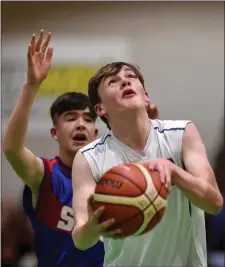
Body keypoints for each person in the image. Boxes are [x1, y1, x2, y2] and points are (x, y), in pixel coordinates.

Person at [71, 62, 224, 266]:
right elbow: (80, 240)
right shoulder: (88, 157)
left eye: (130, 77)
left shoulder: (181, 134)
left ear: (146, 96)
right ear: (100, 109)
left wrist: (174, 172)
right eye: (113, 82)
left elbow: (214, 203)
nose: (125, 81)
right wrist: (93, 226)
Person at [3, 30, 104, 267]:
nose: (80, 123)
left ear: (96, 134)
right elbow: (11, 149)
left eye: (88, 119)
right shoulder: (45, 175)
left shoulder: (113, 179)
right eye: (70, 118)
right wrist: (32, 85)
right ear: (54, 133)